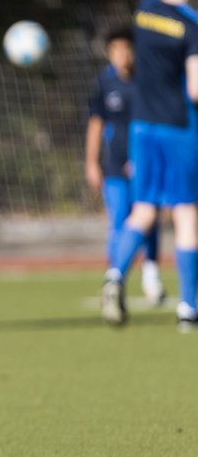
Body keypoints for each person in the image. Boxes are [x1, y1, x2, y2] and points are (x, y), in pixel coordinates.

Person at [101, 0, 198, 328]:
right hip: (178, 127)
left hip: (142, 125)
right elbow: (195, 90)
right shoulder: (191, 25)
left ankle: (115, 275)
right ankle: (189, 308)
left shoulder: (143, 11)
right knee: (186, 212)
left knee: (144, 209)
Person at [84, 28, 165, 306]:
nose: (123, 56)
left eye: (128, 50)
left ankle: (151, 274)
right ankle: (114, 279)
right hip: (115, 167)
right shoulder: (105, 82)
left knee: (149, 219)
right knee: (119, 220)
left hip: (145, 163)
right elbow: (96, 124)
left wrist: (144, 158)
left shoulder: (146, 81)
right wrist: (91, 162)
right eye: (117, 51)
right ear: (109, 54)